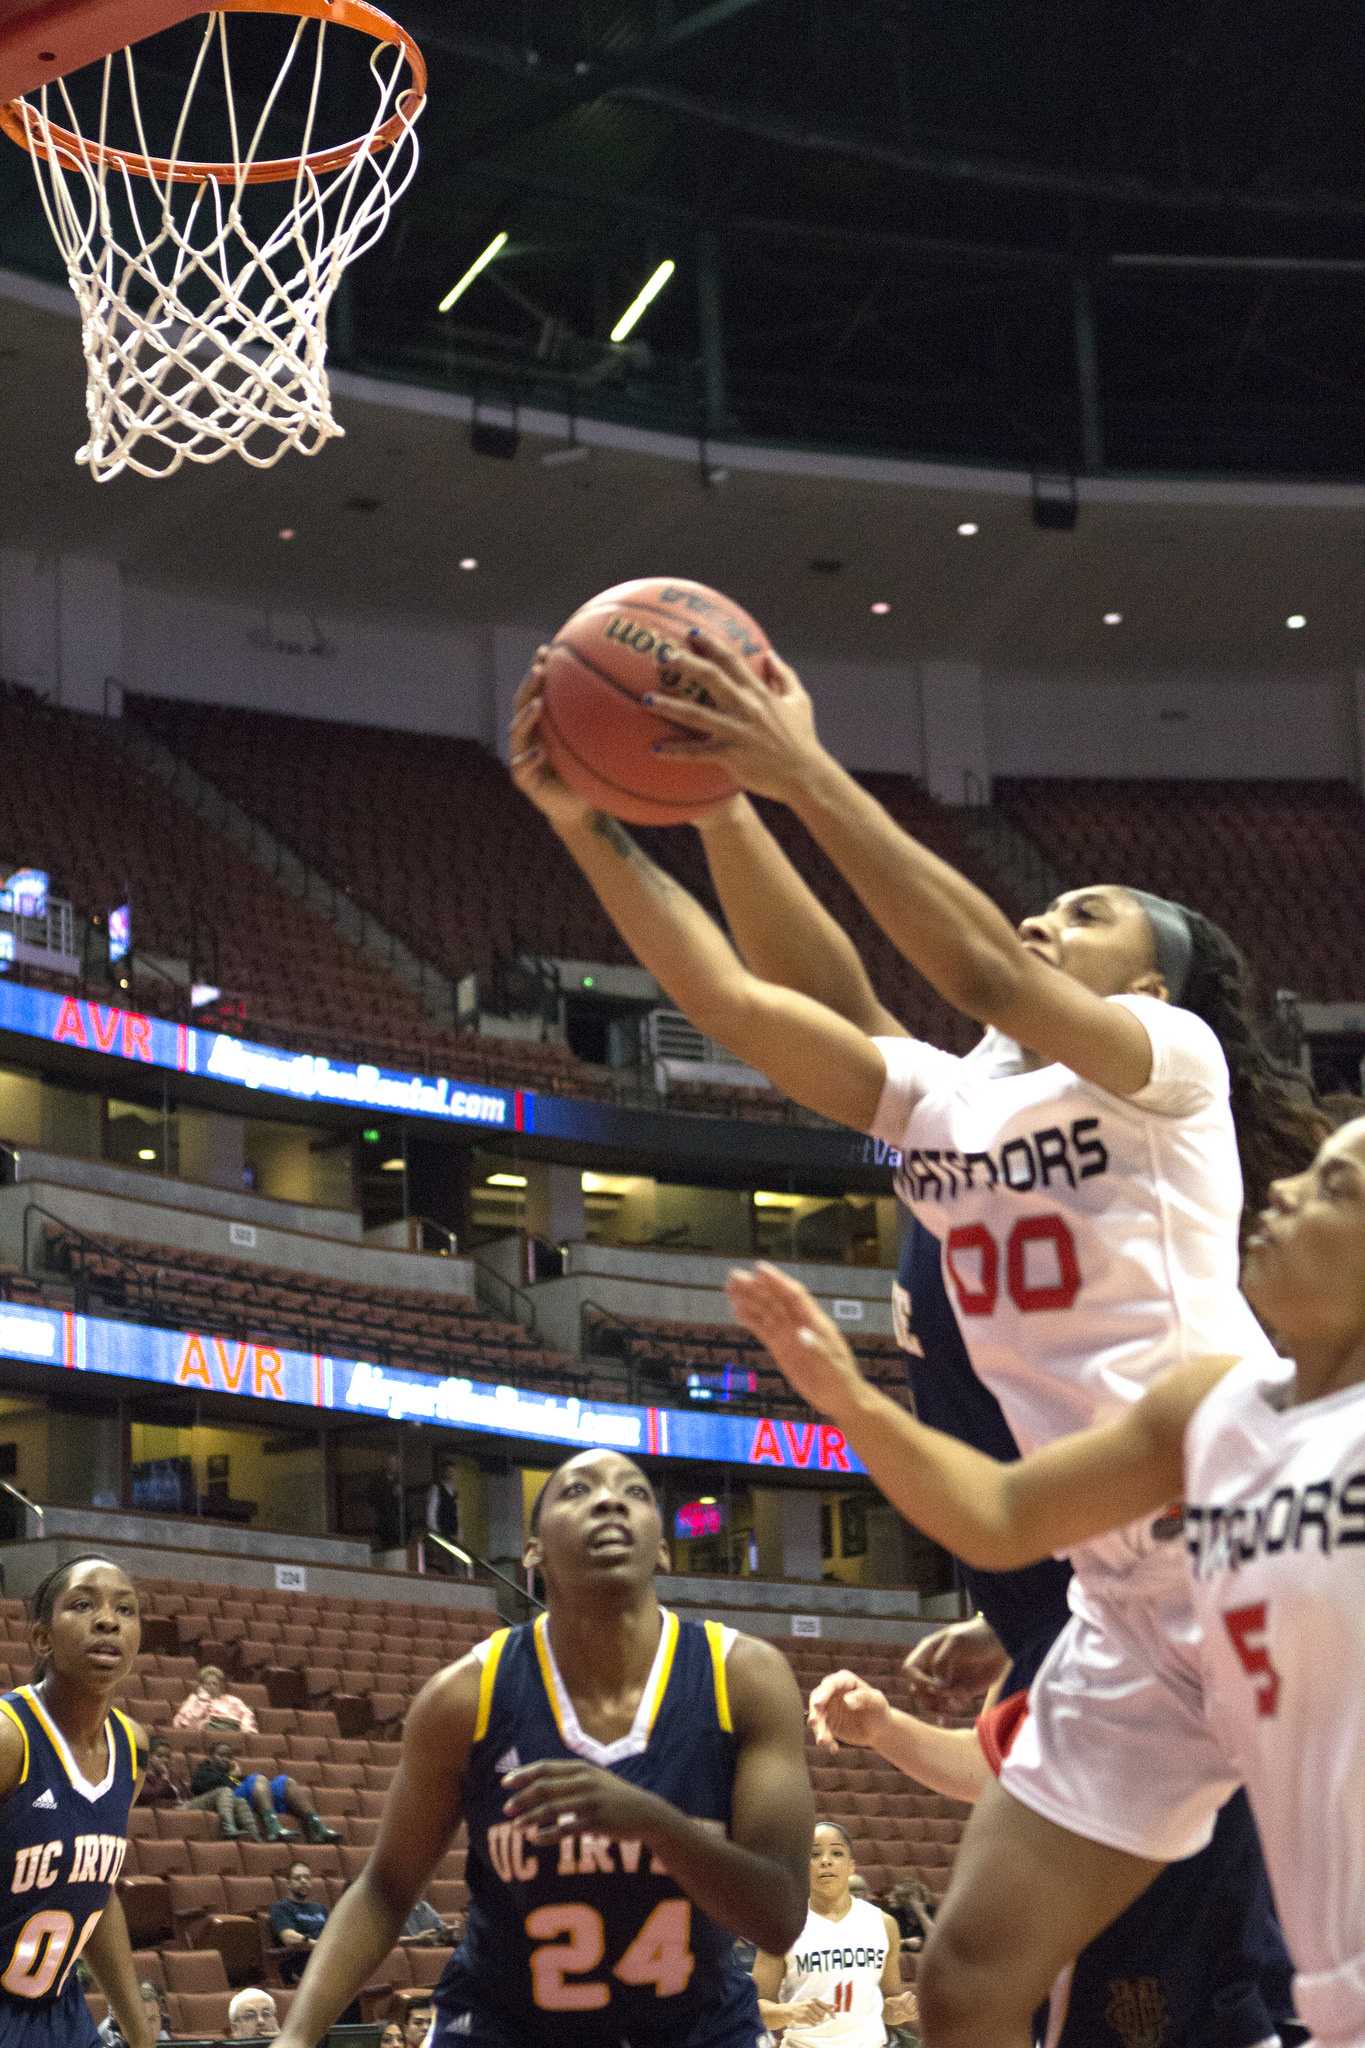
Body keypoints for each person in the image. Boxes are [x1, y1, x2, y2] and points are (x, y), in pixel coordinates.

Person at [510, 651, 1321, 2048]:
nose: (1044, 915)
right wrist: (618, 821)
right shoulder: (949, 1104)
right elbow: (751, 1003)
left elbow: (977, 962)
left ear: (1156, 980)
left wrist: (793, 769)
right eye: (1051, 898)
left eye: (1091, 908)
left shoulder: (1166, 1063)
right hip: (1115, 1602)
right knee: (963, 1987)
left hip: (1267, 1546)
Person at [727, 1140, 1365, 2048]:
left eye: (1334, 1185)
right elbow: (1002, 1511)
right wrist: (847, 1398)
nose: (1289, 1188)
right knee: (964, 1982)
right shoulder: (1217, 1412)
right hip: (1326, 1975)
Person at [272, 1446, 813, 2048]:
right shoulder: (466, 1696)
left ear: (662, 1546)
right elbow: (384, 1889)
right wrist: (294, 2038)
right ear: (532, 1549)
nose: (609, 1500)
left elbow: (781, 1917)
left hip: (697, 2028)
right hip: (504, 2027)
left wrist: (653, 1824)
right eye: (578, 1491)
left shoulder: (742, 1677)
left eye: (634, 1492)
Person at [0, 1555, 152, 2048]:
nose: (108, 1620)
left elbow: (93, 1890)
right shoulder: (9, 1737)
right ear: (42, 1638)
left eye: (125, 1610)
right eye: (83, 1604)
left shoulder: (132, 1748)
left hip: (60, 2013)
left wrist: (139, 2033)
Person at [752, 1821, 916, 2045]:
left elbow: (890, 2005)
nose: (826, 1861)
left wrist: (900, 2011)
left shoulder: (884, 1923)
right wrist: (790, 2012)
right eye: (814, 1854)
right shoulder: (781, 1925)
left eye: (837, 1853)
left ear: (851, 1866)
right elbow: (755, 2009)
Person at [269, 1861, 329, 1983]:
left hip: (324, 1959)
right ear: (288, 1884)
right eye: (297, 1878)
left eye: (307, 1877)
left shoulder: (320, 1908)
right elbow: (288, 1937)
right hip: (300, 1962)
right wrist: (317, 1945)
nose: (303, 1881)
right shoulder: (281, 1907)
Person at [171, 1665, 257, 1738]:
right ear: (201, 1685)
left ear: (220, 1685)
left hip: (233, 1734)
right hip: (206, 1735)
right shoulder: (193, 1700)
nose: (211, 1687)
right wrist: (202, 1701)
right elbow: (187, 1724)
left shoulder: (233, 1700)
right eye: (207, 1684)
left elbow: (248, 1716)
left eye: (214, 1684)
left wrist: (245, 1733)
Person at [96, 1981, 168, 2047]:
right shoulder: (104, 2034)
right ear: (118, 2025)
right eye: (138, 2021)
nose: (147, 2029)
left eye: (152, 2019)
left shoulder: (164, 2040)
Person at [424, 1458, 461, 1573]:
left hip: (453, 1534)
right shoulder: (437, 1489)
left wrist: (459, 1532)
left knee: (456, 1562)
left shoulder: (455, 1492)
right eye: (449, 1471)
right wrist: (436, 1533)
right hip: (442, 1533)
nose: (451, 1474)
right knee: (444, 1562)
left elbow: (457, 1515)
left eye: (453, 1471)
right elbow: (431, 1513)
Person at [372, 1452, 408, 1555]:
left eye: (395, 1463)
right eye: (390, 1463)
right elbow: (374, 1500)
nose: (393, 1466)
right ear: (385, 1464)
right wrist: (391, 1493)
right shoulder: (377, 1481)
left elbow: (404, 1504)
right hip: (384, 1524)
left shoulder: (400, 1481)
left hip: (399, 1525)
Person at [137, 1735, 186, 1810]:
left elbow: (187, 1795)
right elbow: (150, 1796)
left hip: (184, 1809)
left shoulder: (173, 1776)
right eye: (159, 1756)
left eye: (168, 1757)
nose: (165, 1760)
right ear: (149, 1757)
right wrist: (164, 1778)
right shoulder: (143, 1777)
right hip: (167, 1811)